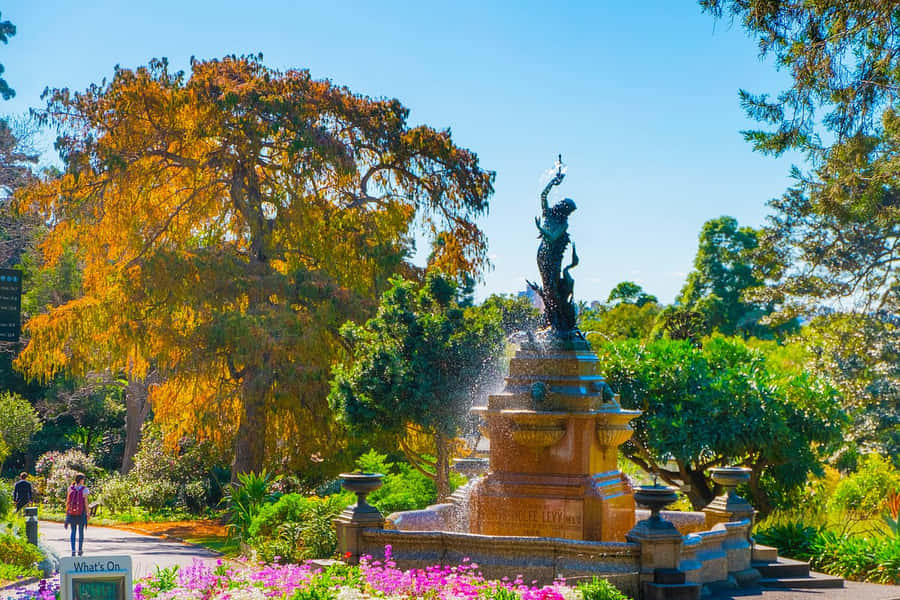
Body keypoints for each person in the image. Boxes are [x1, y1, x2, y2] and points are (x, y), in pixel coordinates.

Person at [64, 473, 89, 556]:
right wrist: (88, 513)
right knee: (81, 531)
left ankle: (73, 549)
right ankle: (80, 549)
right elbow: (85, 502)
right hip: (81, 512)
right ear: (81, 480)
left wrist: (67, 512)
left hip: (72, 513)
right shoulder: (84, 490)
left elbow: (68, 501)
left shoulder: (70, 488)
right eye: (83, 479)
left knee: (73, 531)